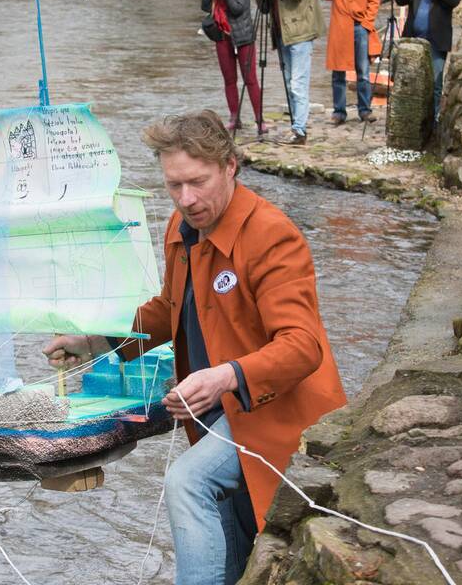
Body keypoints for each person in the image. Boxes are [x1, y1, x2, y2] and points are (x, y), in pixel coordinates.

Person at [44, 111, 347, 585]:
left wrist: (224, 375)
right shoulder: (181, 229)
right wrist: (95, 341)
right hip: (219, 414)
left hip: (276, 412)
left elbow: (303, 347)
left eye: (198, 182)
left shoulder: (272, 235)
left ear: (230, 166)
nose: (187, 199)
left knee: (187, 482)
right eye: (174, 186)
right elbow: (169, 308)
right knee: (230, 544)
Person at [253, 0, 324, 146]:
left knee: (297, 84)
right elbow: (264, 7)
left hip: (300, 32)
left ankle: (300, 131)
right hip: (282, 33)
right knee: (288, 82)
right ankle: (296, 127)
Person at [319, 0, 381, 127]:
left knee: (362, 71)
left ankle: (365, 110)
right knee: (338, 72)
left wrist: (366, 24)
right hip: (339, 29)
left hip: (359, 27)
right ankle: (339, 111)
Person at [202, 0, 266, 135]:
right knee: (229, 80)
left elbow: (237, 9)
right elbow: (205, 8)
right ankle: (234, 118)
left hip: (243, 38)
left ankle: (260, 120)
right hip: (223, 39)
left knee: (250, 80)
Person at [394, 0, 461, 121]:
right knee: (411, 81)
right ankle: (411, 118)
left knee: (435, 83)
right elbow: (399, 0)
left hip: (436, 42)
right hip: (413, 40)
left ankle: (434, 120)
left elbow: (453, 1)